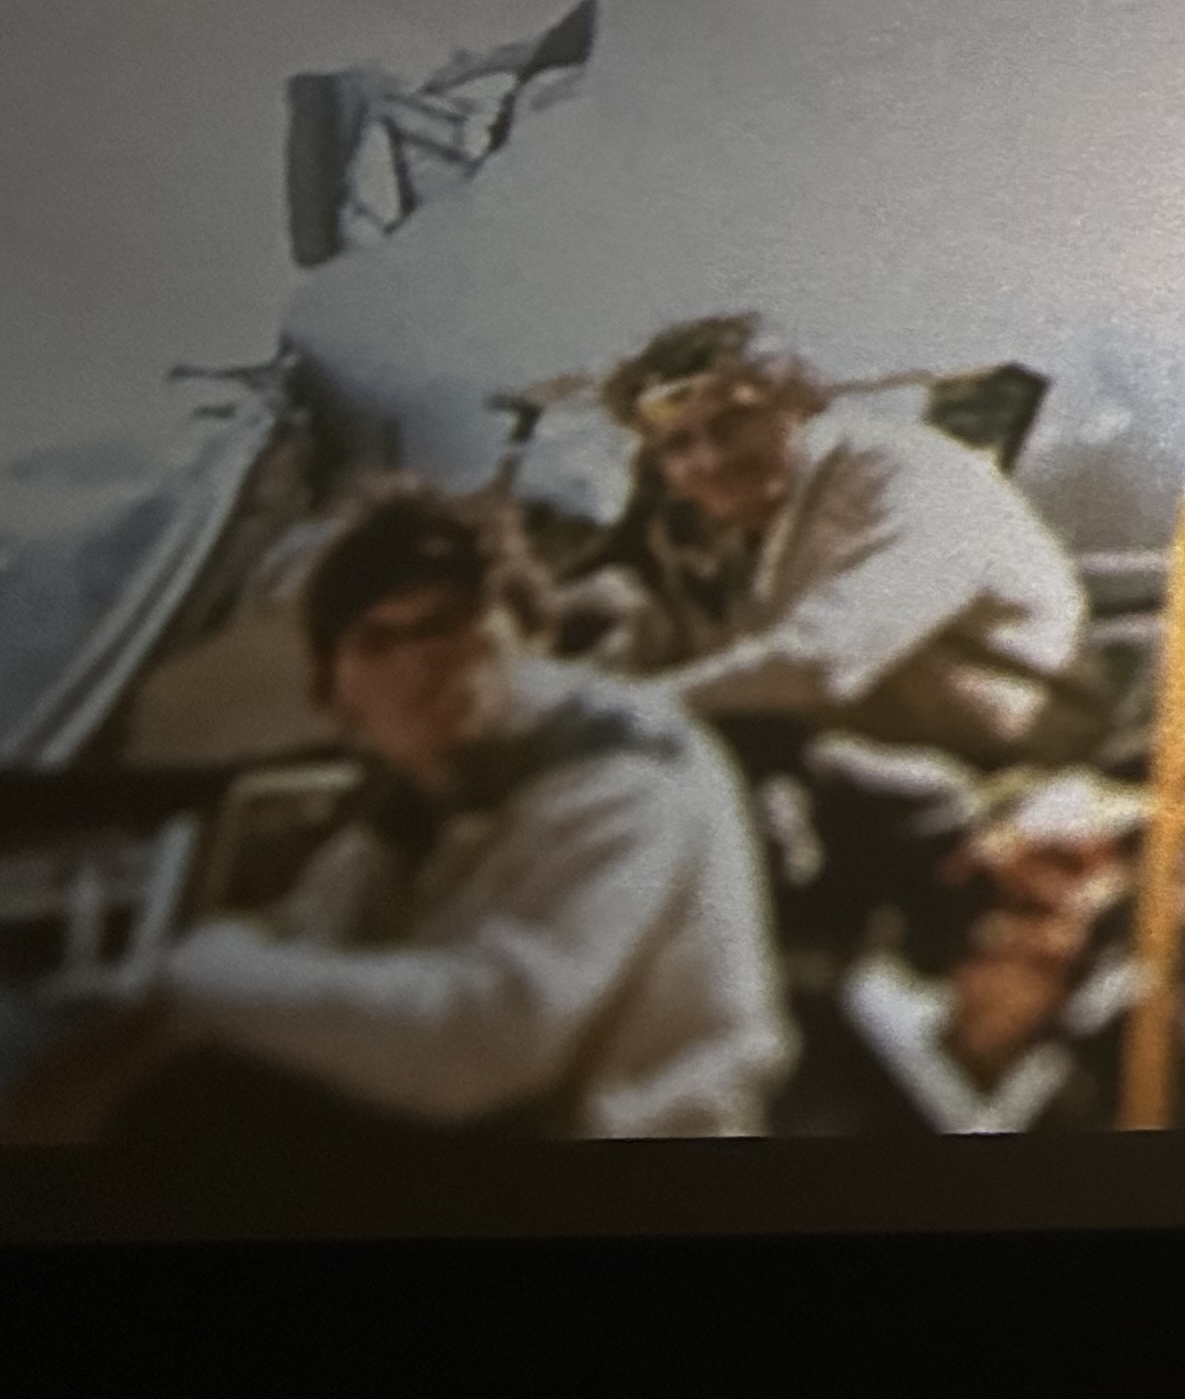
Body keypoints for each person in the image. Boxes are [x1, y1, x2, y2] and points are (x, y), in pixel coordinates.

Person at [12, 487, 789, 1142]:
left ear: (527, 629)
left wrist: (200, 980)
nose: (424, 657)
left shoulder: (626, 767)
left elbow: (491, 1042)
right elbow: (321, 935)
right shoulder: (420, 791)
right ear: (335, 698)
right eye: (380, 639)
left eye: (452, 619)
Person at [581, 314, 1093, 770]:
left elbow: (825, 659)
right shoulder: (735, 528)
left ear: (797, 405)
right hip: (883, 756)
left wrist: (620, 711)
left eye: (733, 423)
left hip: (1023, 766)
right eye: (677, 444)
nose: (711, 460)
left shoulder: (904, 472)